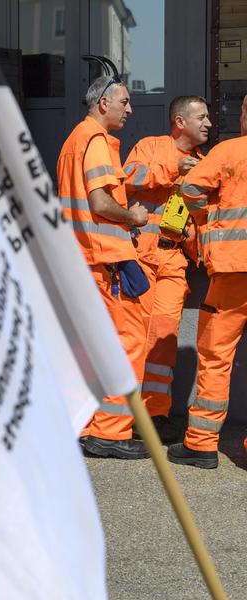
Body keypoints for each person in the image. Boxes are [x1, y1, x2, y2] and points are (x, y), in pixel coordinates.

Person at [57, 75, 150, 459]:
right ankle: (110, 433)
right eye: (124, 102)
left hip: (84, 259)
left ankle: (90, 426)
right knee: (127, 343)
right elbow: (100, 203)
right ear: (103, 104)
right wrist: (134, 217)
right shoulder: (94, 141)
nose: (129, 110)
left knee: (92, 347)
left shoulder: (73, 141)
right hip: (104, 261)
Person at [123, 96, 211, 443]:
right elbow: (129, 177)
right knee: (135, 337)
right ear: (179, 121)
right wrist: (176, 170)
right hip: (140, 256)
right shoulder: (151, 146)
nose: (207, 123)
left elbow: (199, 218)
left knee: (164, 338)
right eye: (201, 117)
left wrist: (194, 239)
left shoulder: (204, 164)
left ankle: (155, 414)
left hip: (173, 259)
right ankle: (122, 415)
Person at [167, 95, 247, 469]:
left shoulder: (229, 152)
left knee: (216, 356)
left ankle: (201, 444)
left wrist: (208, 217)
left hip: (233, 271)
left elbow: (190, 190)